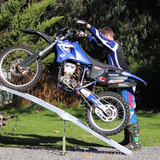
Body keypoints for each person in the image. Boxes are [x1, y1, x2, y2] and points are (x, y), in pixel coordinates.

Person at [73, 19, 141, 150]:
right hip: (119, 82)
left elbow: (99, 38)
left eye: (103, 38)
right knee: (123, 112)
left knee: (129, 111)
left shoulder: (115, 45)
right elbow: (97, 43)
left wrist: (88, 26)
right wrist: (86, 36)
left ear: (107, 36)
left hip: (125, 82)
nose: (102, 42)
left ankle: (136, 142)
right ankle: (128, 140)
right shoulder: (109, 48)